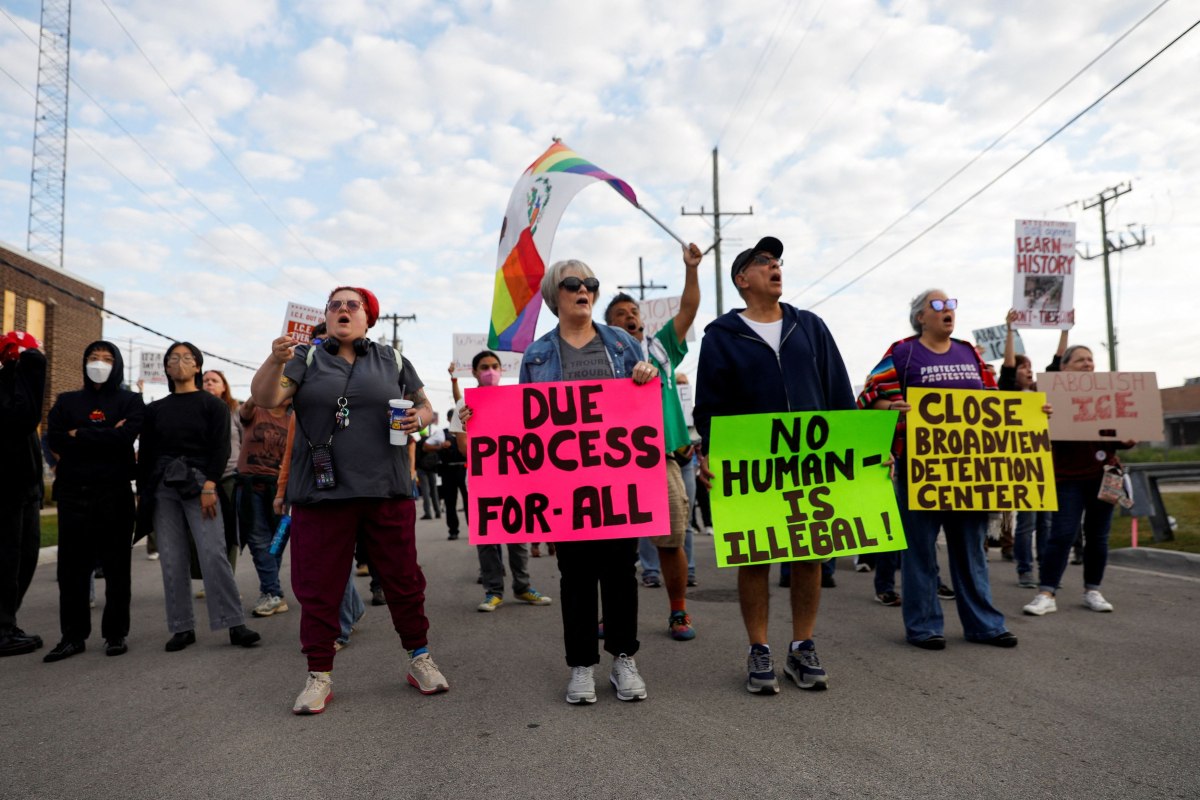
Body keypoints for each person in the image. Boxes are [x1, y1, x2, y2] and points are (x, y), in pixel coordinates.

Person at [251, 286, 448, 715]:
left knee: (403, 580)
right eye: (334, 305)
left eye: (351, 305)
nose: (342, 310)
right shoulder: (304, 358)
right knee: (318, 587)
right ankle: (318, 675)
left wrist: (418, 419)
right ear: (326, 316)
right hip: (321, 494)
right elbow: (267, 397)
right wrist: (274, 360)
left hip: (386, 490)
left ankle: (420, 658)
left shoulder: (392, 360)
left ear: (367, 318)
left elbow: (425, 407)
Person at [695, 236, 854, 693]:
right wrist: (713, 453)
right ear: (742, 279)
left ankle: (802, 646)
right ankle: (759, 649)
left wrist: (863, 448)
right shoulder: (721, 336)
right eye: (763, 261)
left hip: (811, 463)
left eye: (777, 260)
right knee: (755, 556)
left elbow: (838, 392)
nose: (774, 266)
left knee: (810, 554)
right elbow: (710, 407)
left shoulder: (810, 327)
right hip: (754, 467)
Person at [514, 260, 659, 703]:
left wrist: (647, 376)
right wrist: (477, 419)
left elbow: (645, 403)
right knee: (574, 573)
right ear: (553, 296)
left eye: (590, 283)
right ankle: (580, 665)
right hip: (566, 486)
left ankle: (623, 658)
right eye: (573, 283)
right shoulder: (537, 355)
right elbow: (523, 423)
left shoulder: (622, 343)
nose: (584, 289)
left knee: (620, 570)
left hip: (619, 482)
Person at [858, 289, 1017, 651]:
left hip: (968, 471)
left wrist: (1032, 415)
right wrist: (891, 407)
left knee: (972, 551)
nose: (948, 310)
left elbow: (996, 402)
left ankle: (985, 625)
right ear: (920, 317)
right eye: (938, 305)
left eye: (951, 304)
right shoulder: (902, 352)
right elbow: (868, 398)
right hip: (919, 469)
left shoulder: (969, 352)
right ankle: (924, 627)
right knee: (919, 552)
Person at [603, 242, 703, 641]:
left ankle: (678, 611)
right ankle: (611, 615)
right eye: (621, 315)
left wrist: (691, 269)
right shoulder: (601, 360)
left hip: (659, 458)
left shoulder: (659, 350)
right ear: (608, 327)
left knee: (671, 538)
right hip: (613, 462)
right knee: (613, 546)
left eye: (634, 313)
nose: (630, 317)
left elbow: (689, 310)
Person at [137, 342, 261, 653]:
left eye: (187, 357)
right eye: (173, 358)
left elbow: (221, 449)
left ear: (197, 366)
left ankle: (234, 623)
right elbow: (147, 455)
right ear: (166, 368)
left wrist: (209, 485)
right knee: (171, 557)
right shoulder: (155, 409)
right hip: (164, 487)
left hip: (201, 485)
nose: (180, 362)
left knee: (213, 553)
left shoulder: (213, 405)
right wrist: (145, 494)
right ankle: (182, 627)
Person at [43, 341, 145, 661]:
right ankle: (72, 636)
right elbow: (55, 438)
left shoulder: (131, 401)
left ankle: (115, 634)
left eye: (107, 358)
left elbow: (125, 438)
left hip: (114, 493)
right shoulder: (67, 401)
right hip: (73, 493)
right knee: (72, 570)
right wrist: (106, 434)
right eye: (93, 357)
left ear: (117, 365)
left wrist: (79, 434)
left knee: (117, 568)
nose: (99, 363)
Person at [1022, 344, 1133, 617]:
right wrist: (1041, 412)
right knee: (1062, 534)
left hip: (1105, 475)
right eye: (1081, 360)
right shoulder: (1047, 395)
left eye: (1090, 360)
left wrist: (1129, 437)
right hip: (1068, 477)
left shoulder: (1107, 395)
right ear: (1064, 368)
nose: (1088, 364)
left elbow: (1120, 438)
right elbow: (1032, 426)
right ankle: (1046, 593)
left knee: (1098, 536)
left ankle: (1093, 590)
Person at [452, 350, 552, 613]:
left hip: (513, 478)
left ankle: (522, 586)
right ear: (474, 372)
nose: (491, 371)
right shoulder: (463, 404)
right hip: (482, 481)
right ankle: (493, 591)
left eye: (495, 366)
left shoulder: (514, 399)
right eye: (485, 367)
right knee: (487, 540)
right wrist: (471, 425)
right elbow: (464, 448)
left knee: (518, 535)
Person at [998, 310, 1065, 588]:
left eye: (1030, 367)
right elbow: (1008, 366)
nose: (1028, 371)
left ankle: (1047, 573)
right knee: (1026, 523)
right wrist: (1009, 330)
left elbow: (1057, 365)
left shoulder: (1041, 394)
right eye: (1023, 367)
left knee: (1046, 523)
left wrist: (1065, 328)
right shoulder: (1009, 394)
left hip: (1044, 464)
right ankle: (1025, 569)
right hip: (1021, 465)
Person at [0, 331, 47, 657]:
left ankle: (7, 621)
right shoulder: (10, 387)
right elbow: (23, 418)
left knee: (26, 557)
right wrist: (32, 366)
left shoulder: (19, 386)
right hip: (6, 490)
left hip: (26, 489)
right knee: (7, 559)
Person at [237, 392, 292, 618]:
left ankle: (271, 592)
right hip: (250, 487)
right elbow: (247, 407)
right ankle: (272, 592)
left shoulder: (294, 420)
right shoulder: (255, 412)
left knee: (276, 542)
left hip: (280, 489)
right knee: (258, 540)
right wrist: (263, 390)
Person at [202, 369, 243, 572]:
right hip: (202, 479)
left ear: (224, 386)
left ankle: (227, 578)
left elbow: (245, 440)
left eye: (214, 380)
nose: (209, 383)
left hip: (229, 478)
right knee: (206, 533)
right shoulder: (197, 410)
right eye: (205, 380)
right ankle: (210, 579)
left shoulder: (235, 410)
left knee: (229, 532)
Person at [438, 408, 468, 542]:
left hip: (464, 468)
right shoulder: (442, 433)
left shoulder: (466, 431)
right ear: (449, 419)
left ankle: (474, 529)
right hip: (448, 470)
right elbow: (426, 446)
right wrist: (441, 446)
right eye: (452, 418)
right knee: (450, 502)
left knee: (469, 502)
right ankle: (453, 530)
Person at [416, 413, 442, 521]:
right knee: (434, 491)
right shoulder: (431, 441)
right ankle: (438, 512)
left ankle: (428, 513)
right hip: (432, 469)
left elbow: (416, 457)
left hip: (422, 470)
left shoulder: (418, 443)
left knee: (425, 492)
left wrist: (416, 468)